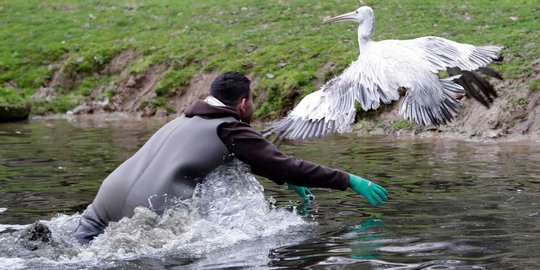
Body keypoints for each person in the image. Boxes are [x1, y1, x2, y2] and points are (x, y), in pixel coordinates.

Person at [73, 72, 388, 244]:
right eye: (252, 100)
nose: (253, 106)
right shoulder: (230, 129)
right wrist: (348, 180)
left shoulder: (181, 120)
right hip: (148, 209)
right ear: (241, 104)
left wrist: (283, 179)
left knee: (79, 248)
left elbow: (259, 163)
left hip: (106, 198)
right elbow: (284, 163)